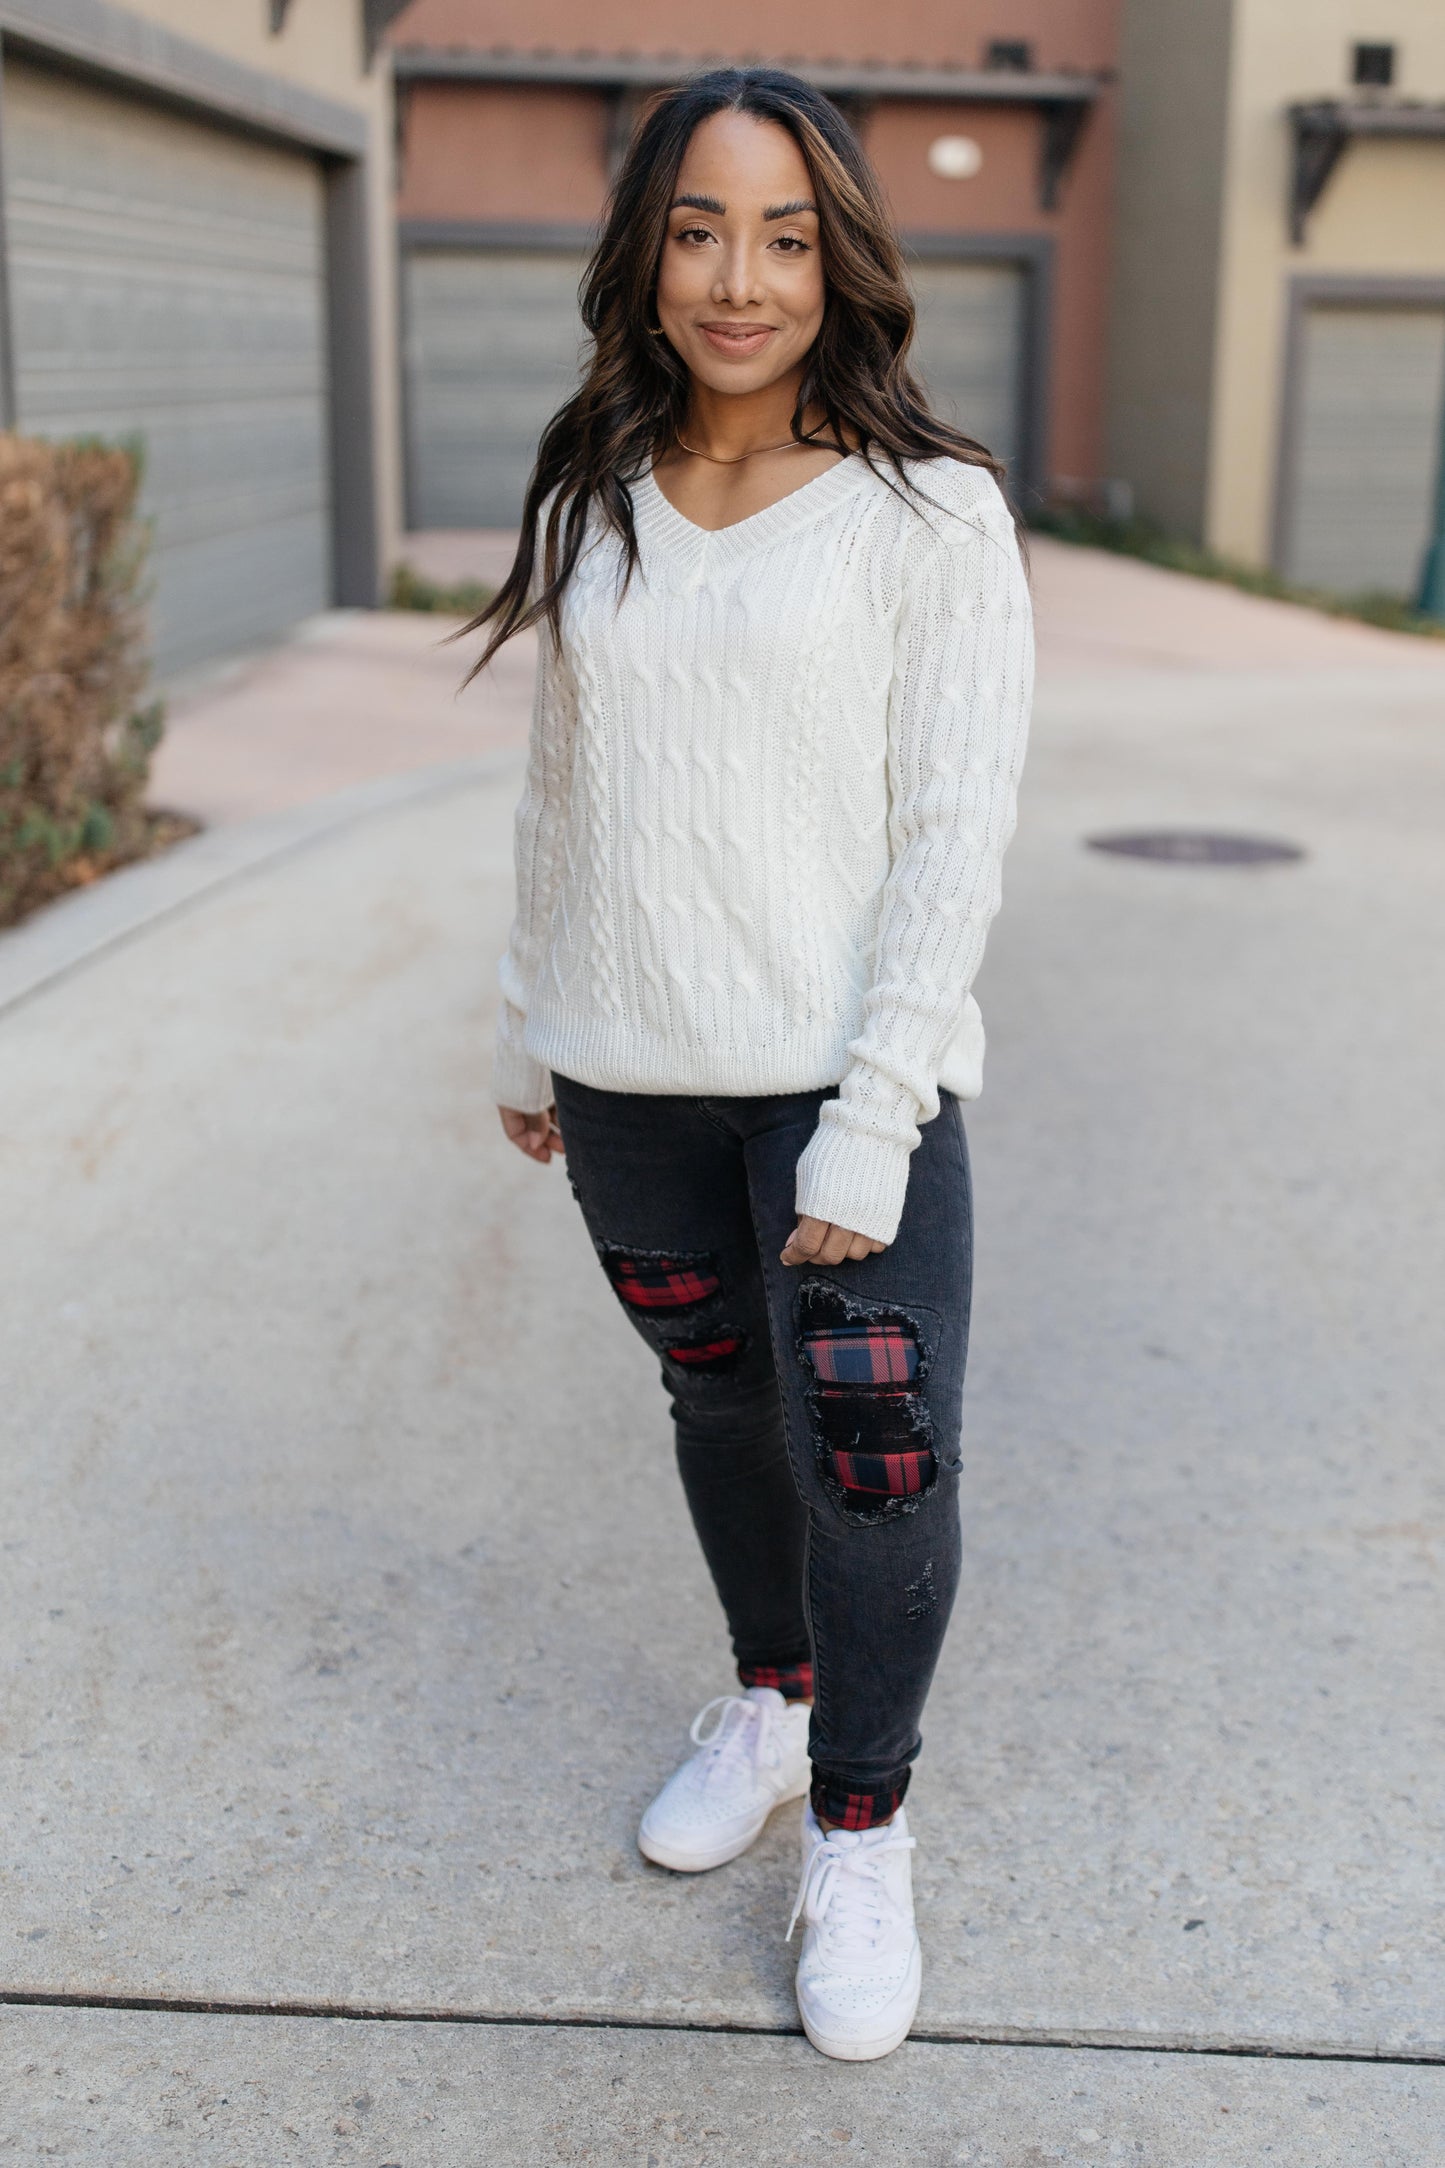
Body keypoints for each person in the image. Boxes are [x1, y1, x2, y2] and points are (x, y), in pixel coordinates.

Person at [468, 66, 1033, 2062]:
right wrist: (532, 1011)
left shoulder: (927, 512)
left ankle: (863, 1831)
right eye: (702, 228)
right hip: (629, 1073)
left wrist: (875, 1113)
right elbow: (569, 777)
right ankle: (775, 1702)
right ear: (647, 248)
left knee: (873, 1459)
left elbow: (953, 829)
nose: (741, 276)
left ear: (842, 259)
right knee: (718, 1406)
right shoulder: (605, 489)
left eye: (788, 236)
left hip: (833, 1076)